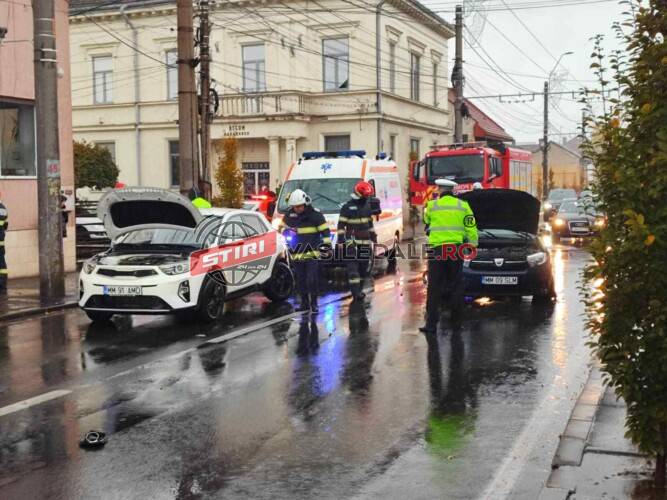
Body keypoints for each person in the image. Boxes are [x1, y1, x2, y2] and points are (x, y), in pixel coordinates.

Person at [420, 179, 478, 334]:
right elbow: (471, 228)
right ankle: (456, 324)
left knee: (434, 287)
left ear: (439, 190)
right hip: (455, 250)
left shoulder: (432, 206)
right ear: (453, 191)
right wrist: (472, 246)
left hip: (437, 250)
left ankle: (431, 325)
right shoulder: (464, 206)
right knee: (456, 286)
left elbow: (426, 221)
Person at [278, 189, 330, 313]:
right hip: (297, 254)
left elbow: (325, 232)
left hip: (312, 254)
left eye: (299, 206)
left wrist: (327, 247)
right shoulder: (290, 215)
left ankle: (314, 303)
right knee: (300, 280)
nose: (297, 209)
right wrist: (287, 232)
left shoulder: (315, 215)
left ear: (305, 204)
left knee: (311, 279)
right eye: (295, 207)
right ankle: (305, 304)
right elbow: (280, 228)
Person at [337, 181, 377, 301]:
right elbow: (341, 225)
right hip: (351, 243)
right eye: (365, 196)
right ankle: (356, 294)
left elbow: (370, 224)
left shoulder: (367, 207)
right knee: (353, 270)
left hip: (365, 243)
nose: (367, 198)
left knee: (363, 269)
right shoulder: (347, 207)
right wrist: (340, 240)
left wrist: (374, 237)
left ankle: (359, 290)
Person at [0, 191, 7, 295]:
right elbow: (5, 225)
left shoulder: (1, 208)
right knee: (1, 262)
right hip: (1, 238)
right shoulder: (3, 208)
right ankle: (2, 284)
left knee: (1, 262)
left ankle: (2, 284)